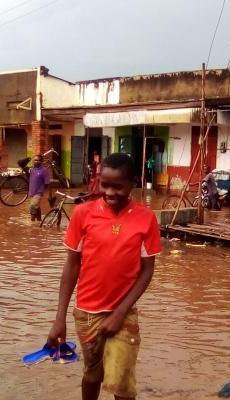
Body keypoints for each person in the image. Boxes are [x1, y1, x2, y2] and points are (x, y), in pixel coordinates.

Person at [47, 153, 162, 400]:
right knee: (92, 373)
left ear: (132, 183)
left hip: (124, 312)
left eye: (117, 186)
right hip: (86, 313)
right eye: (104, 185)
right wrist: (59, 318)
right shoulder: (83, 214)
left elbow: (147, 270)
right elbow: (71, 266)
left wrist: (120, 313)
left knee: (122, 381)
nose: (110, 192)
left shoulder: (146, 219)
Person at [28, 154, 51, 221]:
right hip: (31, 192)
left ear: (41, 161)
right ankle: (39, 220)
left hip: (38, 192)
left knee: (33, 206)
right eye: (35, 160)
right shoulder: (31, 170)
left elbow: (48, 183)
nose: (36, 161)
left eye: (38, 160)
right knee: (36, 206)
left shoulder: (44, 171)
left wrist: (49, 195)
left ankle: (32, 222)